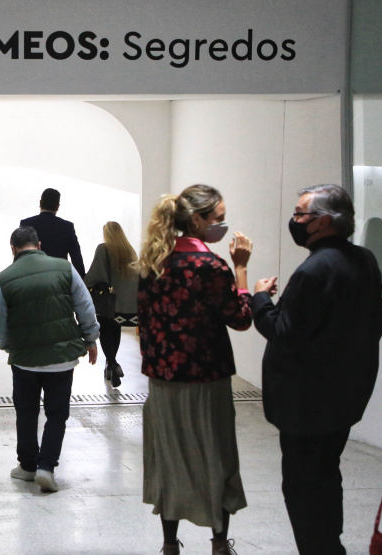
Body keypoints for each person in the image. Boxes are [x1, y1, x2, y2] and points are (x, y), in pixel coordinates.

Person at [251, 184, 382, 555]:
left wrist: (260, 297)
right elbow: (371, 325)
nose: (294, 221)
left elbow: (282, 331)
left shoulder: (314, 269)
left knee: (303, 487)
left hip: (305, 406)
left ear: (323, 221)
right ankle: (331, 546)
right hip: (344, 398)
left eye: (299, 214)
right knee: (326, 476)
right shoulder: (365, 260)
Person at [137, 185, 254, 555]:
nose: (223, 225)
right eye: (218, 219)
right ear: (198, 220)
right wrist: (243, 271)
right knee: (216, 457)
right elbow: (240, 318)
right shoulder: (213, 267)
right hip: (207, 378)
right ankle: (219, 544)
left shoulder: (154, 263)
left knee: (169, 458)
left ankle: (170, 544)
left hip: (163, 380)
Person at [0, 226, 99, 492]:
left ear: (13, 249)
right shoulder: (64, 268)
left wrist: (8, 345)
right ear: (38, 245)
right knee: (57, 413)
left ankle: (27, 466)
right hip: (62, 358)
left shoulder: (4, 278)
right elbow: (84, 306)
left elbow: (1, 318)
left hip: (25, 358)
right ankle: (46, 467)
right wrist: (91, 338)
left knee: (26, 411)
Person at [84, 221, 138, 388]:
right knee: (115, 330)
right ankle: (110, 366)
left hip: (108, 301)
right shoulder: (130, 251)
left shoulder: (104, 248)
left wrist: (83, 284)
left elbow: (96, 274)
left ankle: (113, 363)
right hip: (125, 302)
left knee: (105, 331)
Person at [20, 188, 86, 276]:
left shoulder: (26, 224)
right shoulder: (67, 227)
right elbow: (77, 261)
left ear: (40, 203)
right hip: (58, 281)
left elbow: (20, 255)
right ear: (58, 206)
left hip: (31, 278)